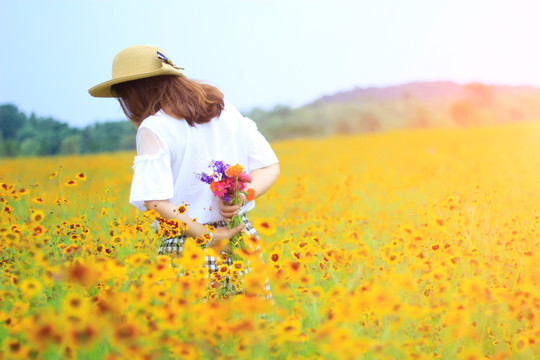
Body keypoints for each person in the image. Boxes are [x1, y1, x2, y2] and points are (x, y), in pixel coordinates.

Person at [88, 44, 280, 299]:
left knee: (193, 333)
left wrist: (209, 236)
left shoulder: (154, 127)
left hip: (190, 243)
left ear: (133, 91)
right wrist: (242, 196)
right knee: (250, 326)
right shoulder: (223, 109)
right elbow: (269, 166)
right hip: (241, 234)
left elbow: (155, 200)